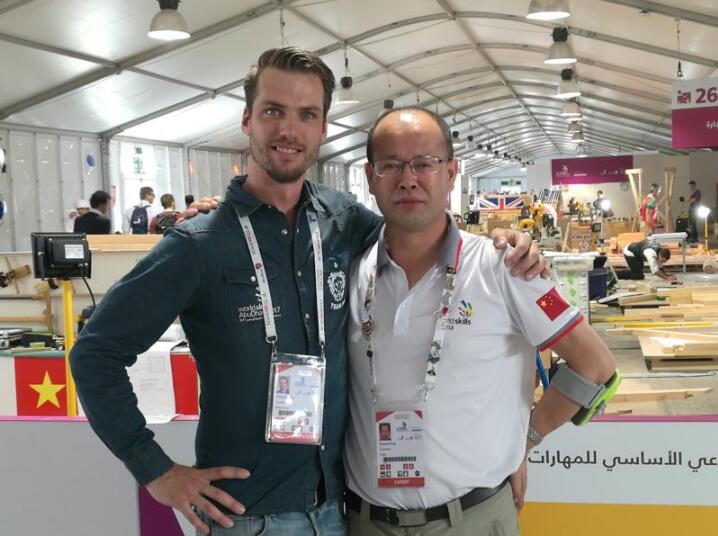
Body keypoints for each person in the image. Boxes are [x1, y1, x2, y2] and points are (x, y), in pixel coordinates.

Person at [70, 47, 544, 536]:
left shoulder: (345, 222)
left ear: (323, 129)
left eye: (307, 114)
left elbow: (420, 231)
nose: (289, 130)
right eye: (273, 111)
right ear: (247, 120)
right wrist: (156, 470)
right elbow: (95, 354)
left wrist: (506, 242)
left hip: (339, 512)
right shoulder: (200, 244)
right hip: (247, 517)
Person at [343, 107, 617, 536]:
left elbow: (596, 366)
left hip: (470, 520)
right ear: (369, 177)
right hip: (367, 523)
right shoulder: (350, 273)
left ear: (451, 173)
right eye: (390, 165)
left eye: (424, 163)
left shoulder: (506, 267)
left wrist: (527, 439)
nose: (408, 179)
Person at [686, 180, 702, 244]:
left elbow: (694, 200)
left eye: (692, 186)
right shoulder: (692, 193)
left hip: (695, 209)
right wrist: (690, 195)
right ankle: (694, 238)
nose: (691, 187)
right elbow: (687, 201)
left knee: (693, 224)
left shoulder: (698, 192)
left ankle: (694, 238)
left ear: (694, 185)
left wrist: (691, 199)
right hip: (691, 209)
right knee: (691, 224)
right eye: (690, 186)